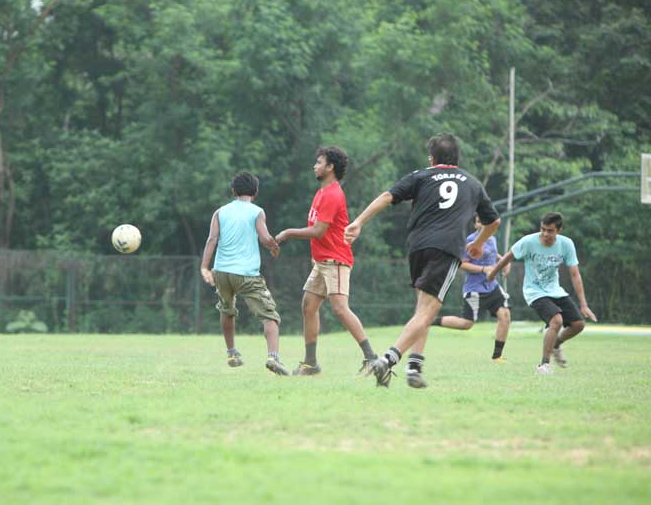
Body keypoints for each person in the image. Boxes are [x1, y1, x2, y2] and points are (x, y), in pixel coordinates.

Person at [344, 133, 500, 388]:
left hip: (417, 247)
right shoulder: (473, 183)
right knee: (428, 310)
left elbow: (386, 196)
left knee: (423, 309)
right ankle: (387, 360)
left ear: (432, 158)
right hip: (447, 248)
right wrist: (479, 243)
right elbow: (494, 221)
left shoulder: (422, 175)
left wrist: (359, 222)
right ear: (457, 158)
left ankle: (414, 367)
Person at [275, 146, 379, 375]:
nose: (315, 166)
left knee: (340, 309)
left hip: (336, 260)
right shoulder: (322, 192)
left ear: (330, 167)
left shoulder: (333, 194)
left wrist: (288, 233)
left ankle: (373, 358)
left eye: (319, 162)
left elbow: (319, 231)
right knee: (308, 306)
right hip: (322, 261)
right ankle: (311, 363)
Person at [200, 172, 289, 375]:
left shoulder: (219, 212)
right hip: (247, 274)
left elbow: (211, 240)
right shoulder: (256, 211)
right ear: (255, 192)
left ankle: (232, 353)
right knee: (270, 316)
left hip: (221, 272)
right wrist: (274, 247)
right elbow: (265, 237)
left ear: (233, 191)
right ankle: (273, 358)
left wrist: (204, 267)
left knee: (226, 310)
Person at [486, 212, 598, 375]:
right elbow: (508, 256)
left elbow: (575, 274)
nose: (545, 234)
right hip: (534, 292)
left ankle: (556, 344)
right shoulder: (529, 242)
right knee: (556, 320)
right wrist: (493, 273)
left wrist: (583, 304)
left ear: (558, 230)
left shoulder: (566, 244)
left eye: (550, 230)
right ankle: (544, 365)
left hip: (555, 291)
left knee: (578, 325)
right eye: (543, 229)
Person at [431, 215, 512, 362]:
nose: (483, 224)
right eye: (479, 221)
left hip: (492, 287)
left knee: (505, 316)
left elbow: (494, 254)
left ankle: (497, 356)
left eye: (485, 221)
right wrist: (483, 269)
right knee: (466, 324)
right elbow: (461, 264)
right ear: (475, 225)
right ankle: (430, 320)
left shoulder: (492, 239)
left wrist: (504, 262)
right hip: (475, 290)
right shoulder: (470, 241)